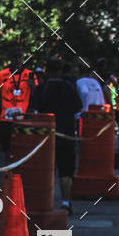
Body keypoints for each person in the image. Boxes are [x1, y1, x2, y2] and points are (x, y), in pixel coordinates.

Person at [37, 56, 82, 213]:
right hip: (67, 135)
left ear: (46, 70)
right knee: (66, 171)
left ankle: (44, 202)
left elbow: (33, 112)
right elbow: (78, 109)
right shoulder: (69, 87)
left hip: (46, 137)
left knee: (46, 171)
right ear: (61, 69)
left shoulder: (41, 88)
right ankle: (65, 202)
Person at [0, 46, 34, 161]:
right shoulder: (2, 75)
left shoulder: (30, 74)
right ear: (10, 58)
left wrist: (33, 86)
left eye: (19, 57)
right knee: (7, 150)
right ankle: (8, 174)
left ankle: (19, 175)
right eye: (15, 57)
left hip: (23, 119)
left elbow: (36, 97)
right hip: (6, 119)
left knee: (22, 150)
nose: (17, 60)